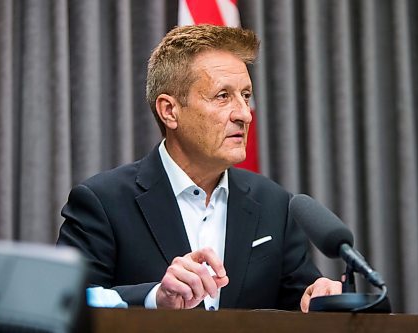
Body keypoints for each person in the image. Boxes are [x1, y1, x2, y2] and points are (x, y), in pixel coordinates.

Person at [57, 24, 341, 312]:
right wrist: (154, 297)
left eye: (245, 95)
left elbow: (299, 301)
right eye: (222, 96)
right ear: (170, 111)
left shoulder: (274, 204)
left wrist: (319, 297)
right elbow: (64, 301)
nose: (244, 114)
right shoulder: (103, 202)